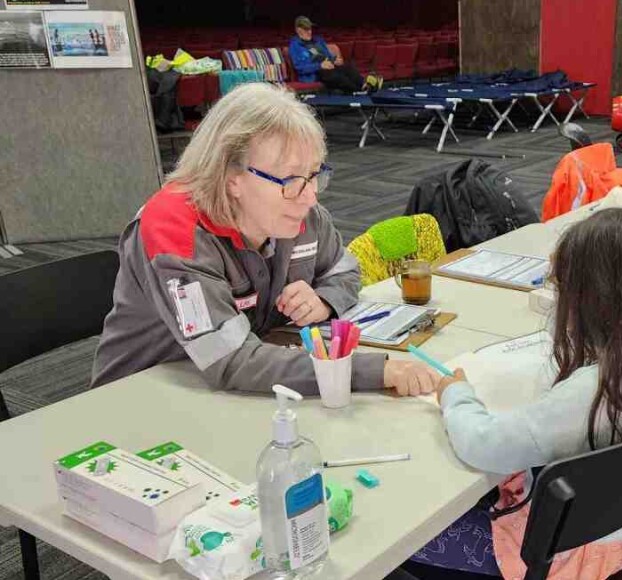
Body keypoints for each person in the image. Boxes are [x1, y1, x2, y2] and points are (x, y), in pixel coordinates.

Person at [405, 208, 622, 579]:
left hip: (555, 559)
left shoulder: (594, 394)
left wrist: (455, 394)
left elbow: (481, 444)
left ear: (593, 301)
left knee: (401, 536)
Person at [92, 83, 438, 398]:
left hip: (228, 390)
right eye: (290, 179)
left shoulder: (298, 211)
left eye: (314, 174)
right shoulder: (174, 232)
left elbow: (345, 270)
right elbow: (233, 360)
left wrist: (324, 299)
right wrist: (376, 370)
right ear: (231, 178)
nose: (310, 196)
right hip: (140, 398)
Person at [288, 15, 379, 93]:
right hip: (316, 72)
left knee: (348, 67)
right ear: (298, 30)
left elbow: (328, 56)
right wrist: (320, 66)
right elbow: (300, 68)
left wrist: (334, 60)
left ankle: (365, 84)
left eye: (310, 29)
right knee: (335, 76)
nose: (309, 32)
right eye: (306, 29)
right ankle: (359, 90)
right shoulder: (295, 46)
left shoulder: (318, 40)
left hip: (329, 66)